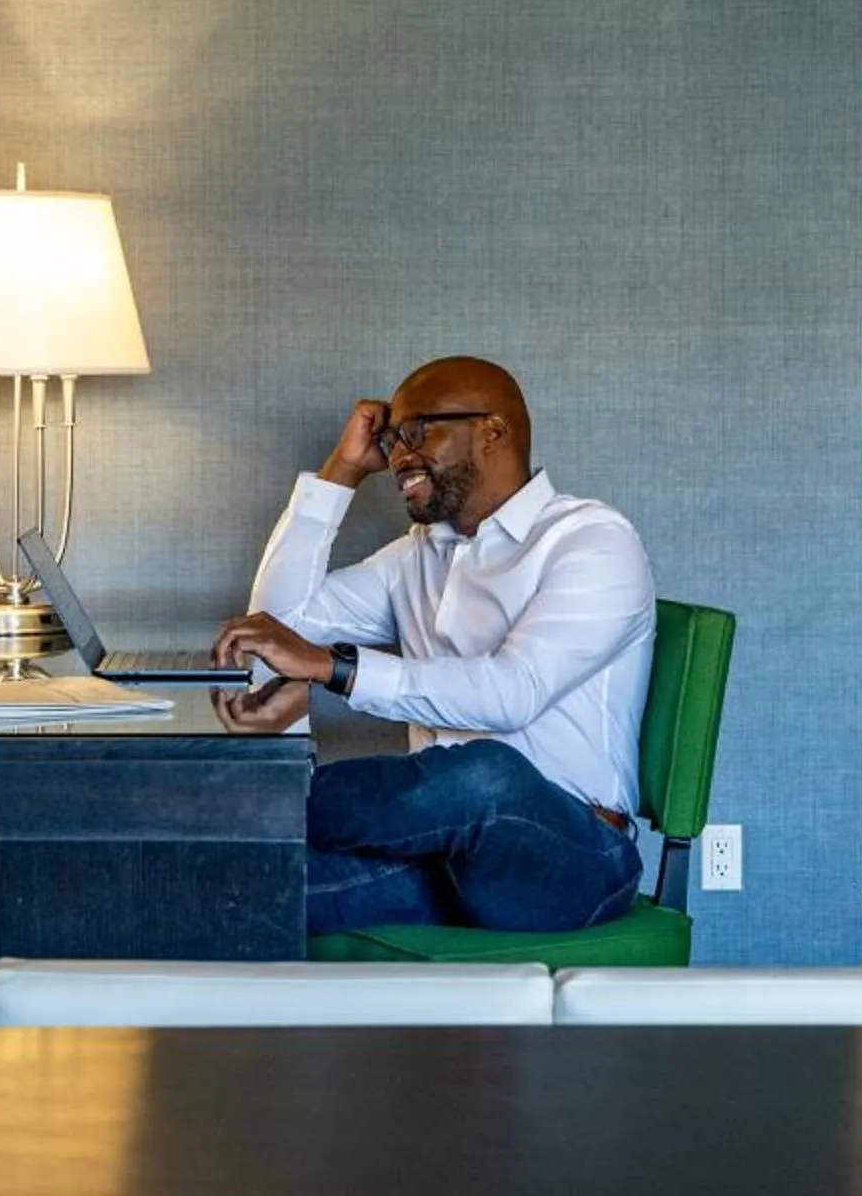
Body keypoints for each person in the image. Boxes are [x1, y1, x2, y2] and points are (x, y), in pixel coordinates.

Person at [212, 357, 658, 935]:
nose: (399, 457)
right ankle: (234, 817)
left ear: (492, 431)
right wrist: (340, 471)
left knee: (488, 775)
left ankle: (234, 801)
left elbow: (511, 695)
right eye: (392, 438)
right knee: (240, 887)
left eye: (417, 432)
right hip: (440, 855)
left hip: (572, 859)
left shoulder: (591, 540)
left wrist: (333, 670)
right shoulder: (417, 555)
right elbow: (278, 625)